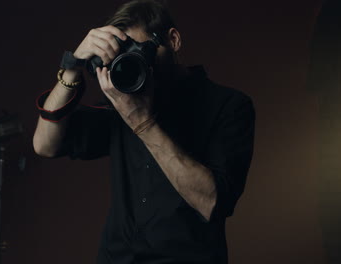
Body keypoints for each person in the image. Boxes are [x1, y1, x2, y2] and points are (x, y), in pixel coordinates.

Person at [33, 0, 255, 263]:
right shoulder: (121, 104)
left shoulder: (229, 106)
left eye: (141, 50)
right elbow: (44, 144)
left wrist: (142, 122)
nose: (136, 63)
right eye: (124, 55)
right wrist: (72, 67)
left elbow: (212, 203)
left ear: (172, 41)